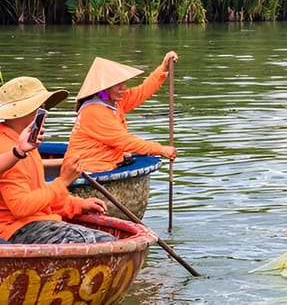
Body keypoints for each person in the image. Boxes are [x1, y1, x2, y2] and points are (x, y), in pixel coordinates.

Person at [0, 76, 115, 244]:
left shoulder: (25, 144)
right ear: (25, 111)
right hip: (17, 229)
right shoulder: (8, 148)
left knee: (107, 240)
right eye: (41, 107)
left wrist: (77, 204)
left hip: (36, 222)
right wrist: (63, 181)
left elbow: (38, 193)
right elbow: (21, 207)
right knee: (100, 241)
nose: (45, 110)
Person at [64, 52, 179, 173]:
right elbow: (125, 141)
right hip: (90, 169)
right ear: (104, 88)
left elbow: (143, 91)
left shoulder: (115, 101)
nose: (123, 88)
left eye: (123, 83)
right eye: (117, 85)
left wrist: (163, 67)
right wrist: (160, 149)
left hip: (107, 163)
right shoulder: (94, 111)